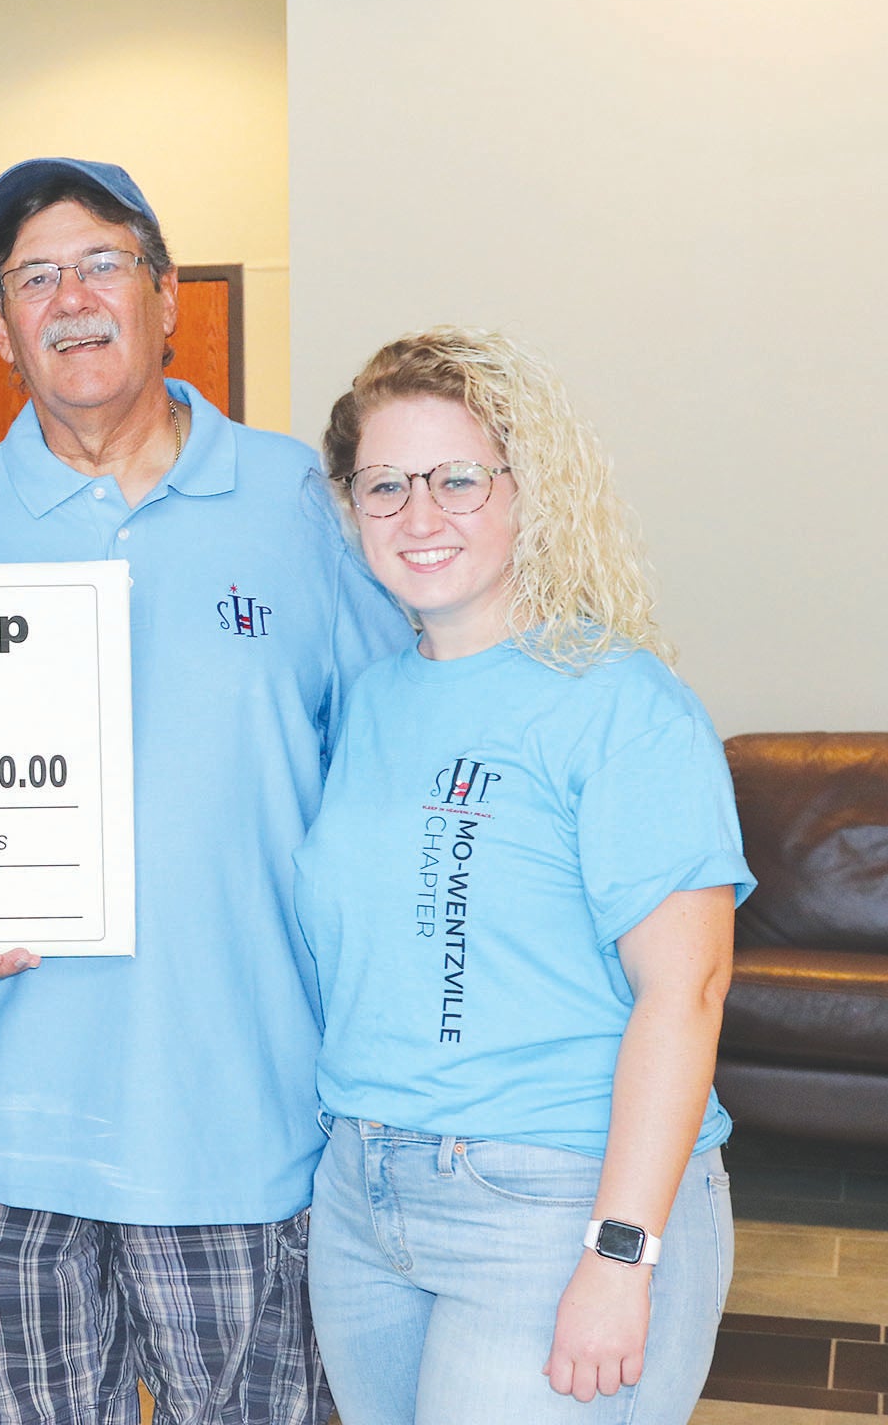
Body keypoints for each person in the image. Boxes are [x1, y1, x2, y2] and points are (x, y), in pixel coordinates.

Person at [0, 158, 411, 1424]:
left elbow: (390, 772)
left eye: (103, 262)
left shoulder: (306, 506)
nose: (72, 297)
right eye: (34, 276)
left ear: (168, 295)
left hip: (243, 1123)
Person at [295, 328, 747, 1423]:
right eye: (384, 485)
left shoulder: (617, 701)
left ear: (524, 491)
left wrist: (622, 1252)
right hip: (363, 1195)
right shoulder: (369, 702)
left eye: (457, 479)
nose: (419, 515)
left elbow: (685, 991)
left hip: (558, 1198)